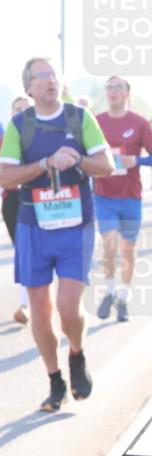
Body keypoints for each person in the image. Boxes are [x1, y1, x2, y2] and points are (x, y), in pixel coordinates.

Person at [0, 57, 113, 412]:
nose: (51, 80)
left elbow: (106, 166)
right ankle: (55, 380)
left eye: (54, 74)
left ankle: (76, 353)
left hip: (76, 225)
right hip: (34, 226)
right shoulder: (19, 125)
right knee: (40, 311)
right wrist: (45, 164)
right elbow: (5, 177)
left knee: (68, 307)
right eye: (42, 76)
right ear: (28, 87)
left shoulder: (80, 118)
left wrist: (76, 160)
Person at [93, 76, 152, 322]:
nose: (113, 91)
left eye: (118, 86)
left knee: (128, 248)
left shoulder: (139, 123)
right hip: (104, 194)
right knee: (109, 245)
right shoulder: (95, 122)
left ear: (128, 92)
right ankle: (108, 291)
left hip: (130, 195)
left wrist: (136, 160)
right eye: (109, 87)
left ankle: (123, 297)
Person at [0, 95, 33, 325]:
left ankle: (34, 300)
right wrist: (12, 176)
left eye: (26, 109)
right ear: (11, 114)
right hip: (14, 200)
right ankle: (26, 303)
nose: (22, 113)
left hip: (41, 198)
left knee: (42, 251)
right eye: (17, 110)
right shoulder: (4, 139)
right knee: (23, 251)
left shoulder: (46, 136)